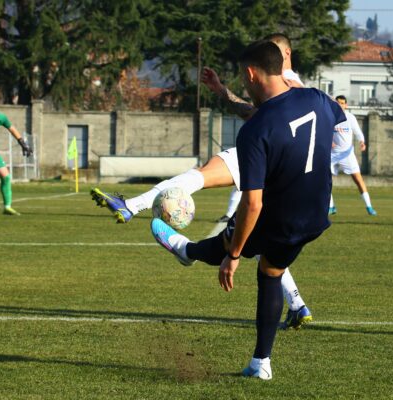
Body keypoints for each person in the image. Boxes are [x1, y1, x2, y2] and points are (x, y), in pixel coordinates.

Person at [151, 40, 346, 380]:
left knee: (234, 242)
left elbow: (252, 202)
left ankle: (189, 250)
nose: (244, 83)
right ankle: (260, 363)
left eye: (244, 77)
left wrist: (235, 255)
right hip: (316, 216)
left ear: (253, 74)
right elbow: (338, 126)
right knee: (271, 271)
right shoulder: (316, 97)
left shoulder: (255, 131)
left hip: (279, 216)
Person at [92, 33, 313, 330]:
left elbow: (274, 120)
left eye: (276, 49)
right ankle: (296, 304)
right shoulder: (277, 80)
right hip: (266, 151)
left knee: (251, 227)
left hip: (273, 158)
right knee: (213, 188)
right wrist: (222, 91)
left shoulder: (291, 83)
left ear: (286, 52)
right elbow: (253, 113)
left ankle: (145, 217)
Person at [329, 95, 377, 216]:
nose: (340, 105)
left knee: (358, 180)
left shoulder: (350, 118)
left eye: (342, 103)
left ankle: (369, 207)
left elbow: (358, 132)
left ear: (346, 105)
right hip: (332, 155)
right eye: (338, 103)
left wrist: (362, 141)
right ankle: (331, 206)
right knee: (325, 180)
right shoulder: (330, 117)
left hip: (347, 154)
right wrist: (330, 141)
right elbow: (323, 132)